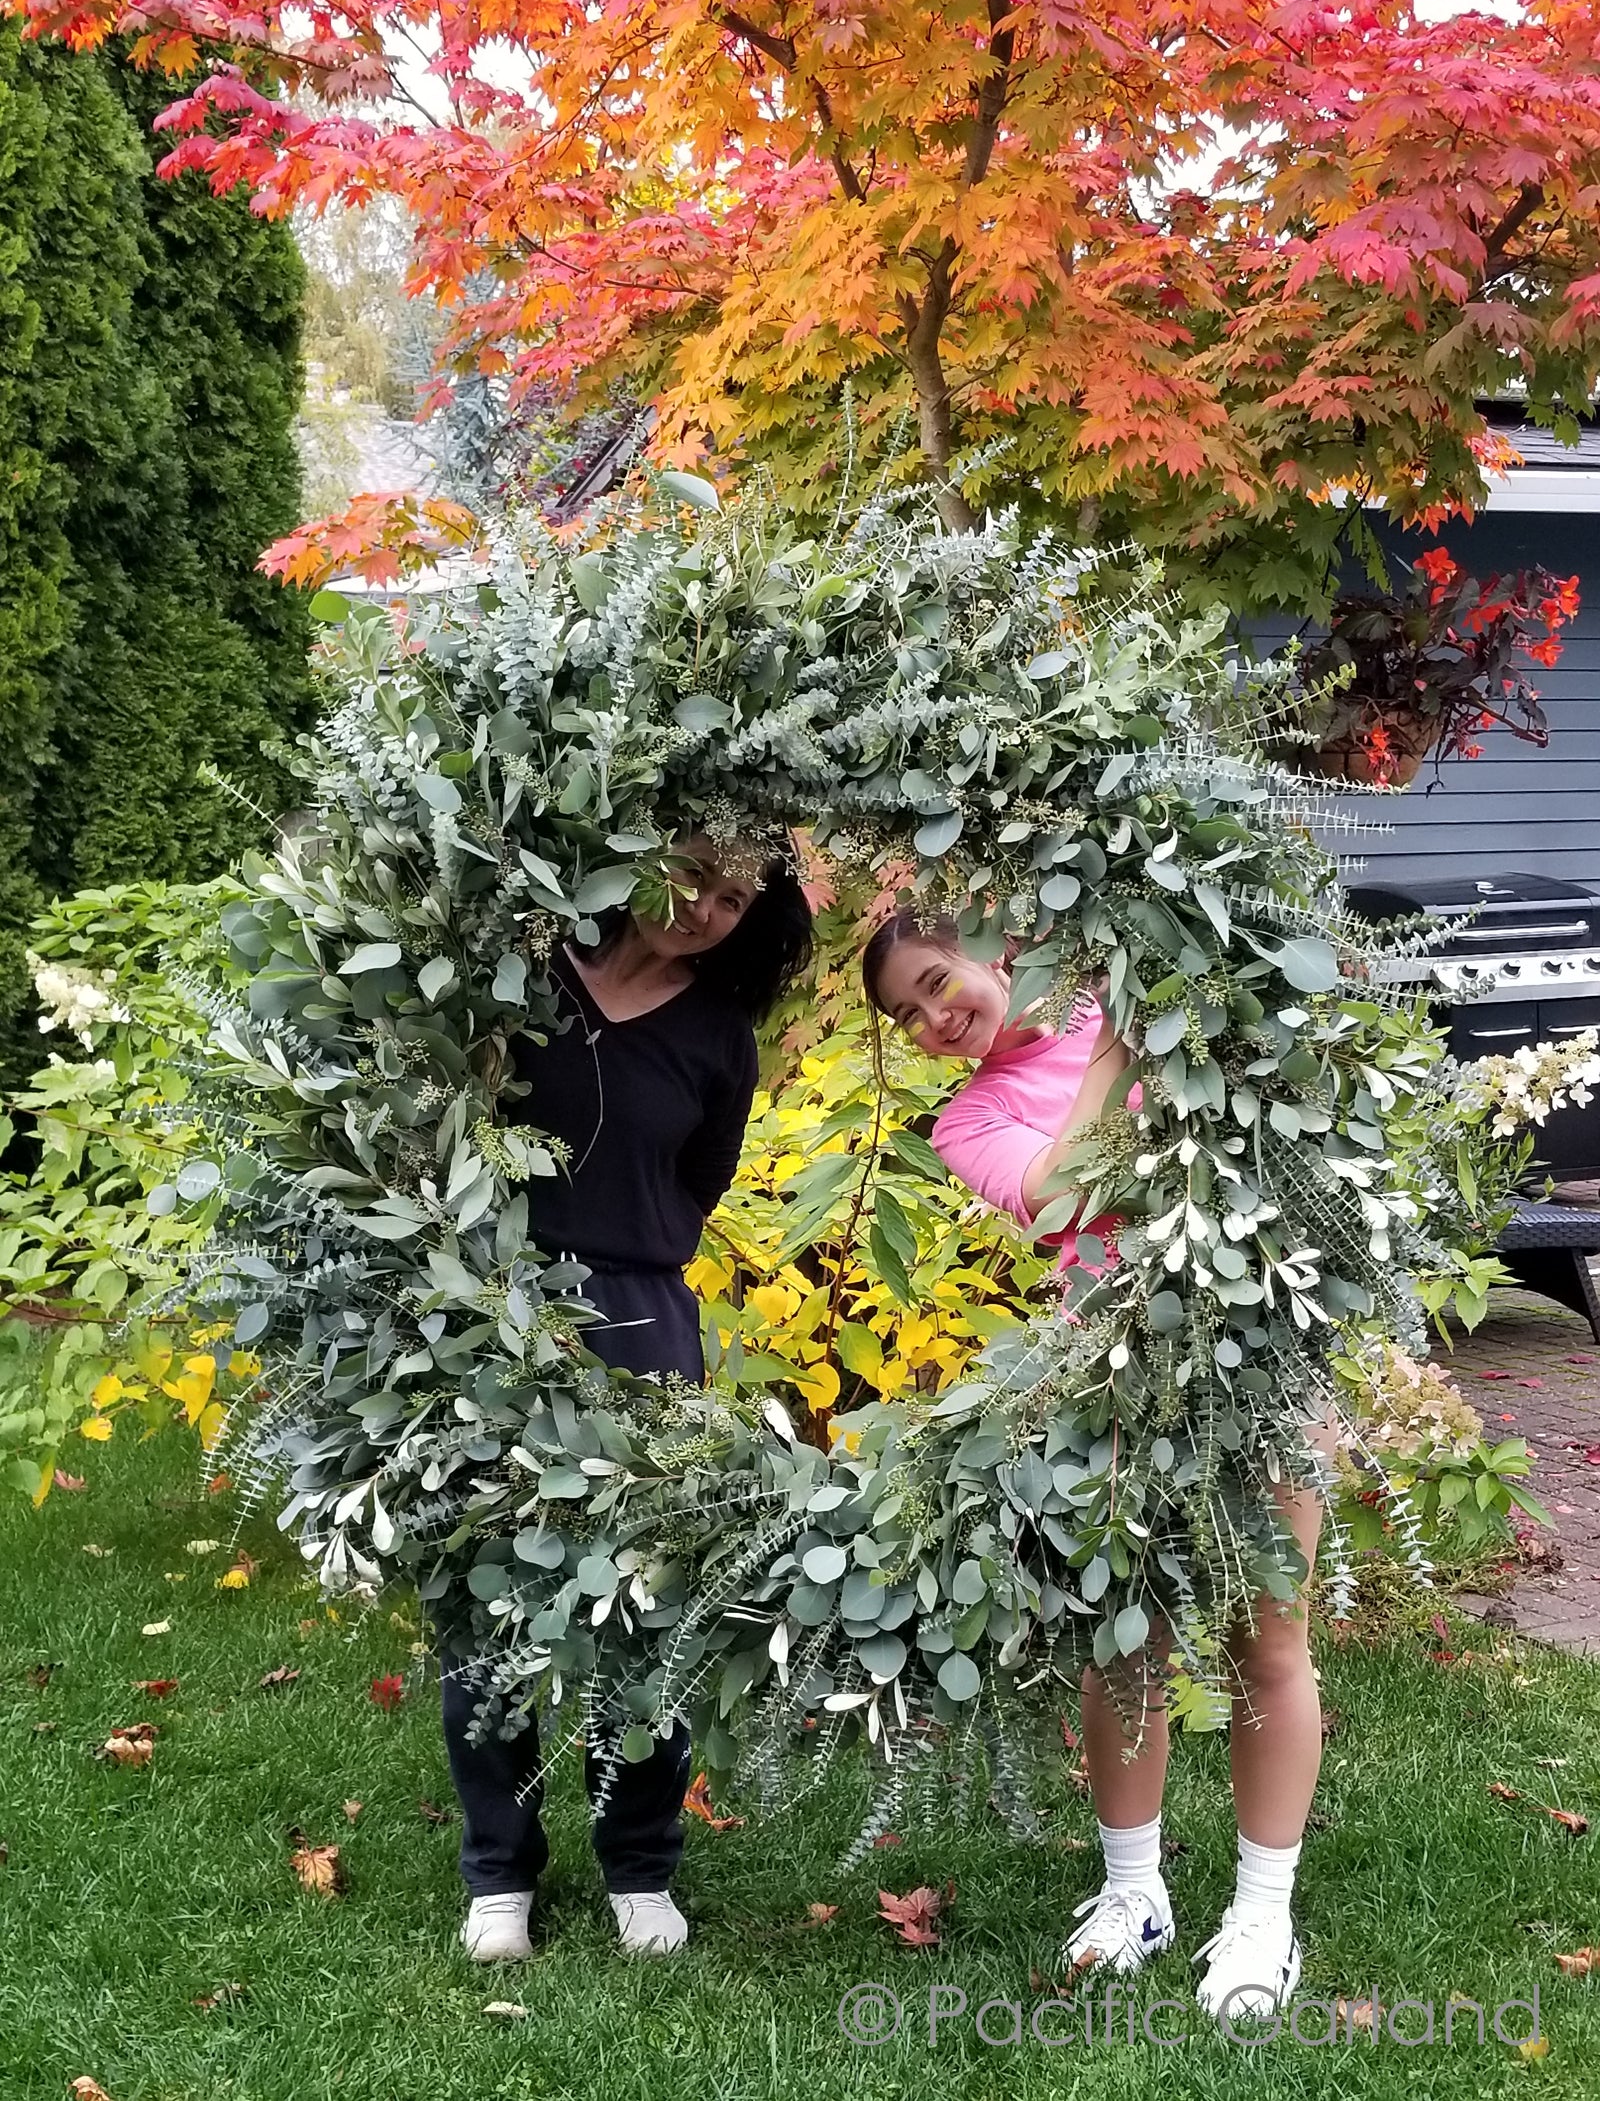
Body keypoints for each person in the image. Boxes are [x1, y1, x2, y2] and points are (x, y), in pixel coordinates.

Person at [862, 910, 1338, 2021]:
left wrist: (1132, 1004)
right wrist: (1124, 1040)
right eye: (908, 1015)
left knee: (1268, 1638)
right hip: (1105, 1378)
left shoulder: (1170, 1000)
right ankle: (1135, 1893)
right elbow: (1070, 1195)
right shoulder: (970, 1118)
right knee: (1122, 1644)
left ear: (995, 948)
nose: (936, 1019)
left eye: (939, 981)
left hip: (1255, 1357)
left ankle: (1262, 1913)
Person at [443, 834, 812, 1964]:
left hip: (641, 1319)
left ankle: (638, 1865)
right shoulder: (522, 970)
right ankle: (498, 1872)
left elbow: (699, 1181)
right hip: (488, 1308)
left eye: (735, 898)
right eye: (693, 873)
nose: (704, 907)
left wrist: (622, 1261)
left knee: (650, 1603)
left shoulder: (717, 1035)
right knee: (481, 1597)